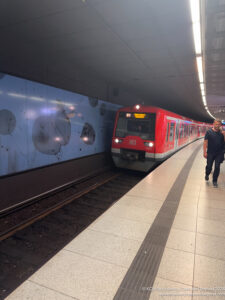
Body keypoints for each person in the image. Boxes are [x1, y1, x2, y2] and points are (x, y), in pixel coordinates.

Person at [203, 119, 225, 187]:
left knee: (217, 166)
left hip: (219, 153)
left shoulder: (222, 133)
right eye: (216, 124)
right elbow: (205, 142)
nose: (217, 125)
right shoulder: (209, 132)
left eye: (218, 124)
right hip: (210, 152)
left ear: (220, 125)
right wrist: (204, 152)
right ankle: (207, 174)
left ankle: (214, 181)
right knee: (209, 166)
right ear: (213, 124)